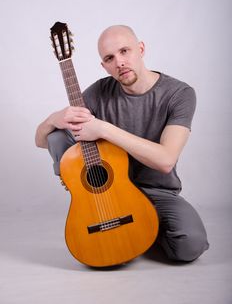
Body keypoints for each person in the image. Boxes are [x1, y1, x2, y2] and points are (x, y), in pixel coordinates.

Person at [35, 25, 209, 262]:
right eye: (109, 58)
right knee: (57, 135)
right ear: (104, 66)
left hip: (157, 192)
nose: (119, 62)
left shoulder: (179, 94)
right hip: (109, 194)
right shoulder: (99, 92)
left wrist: (103, 128)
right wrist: (53, 118)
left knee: (190, 245)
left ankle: (143, 232)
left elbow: (166, 160)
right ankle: (90, 202)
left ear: (141, 49)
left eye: (125, 51)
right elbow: (42, 141)